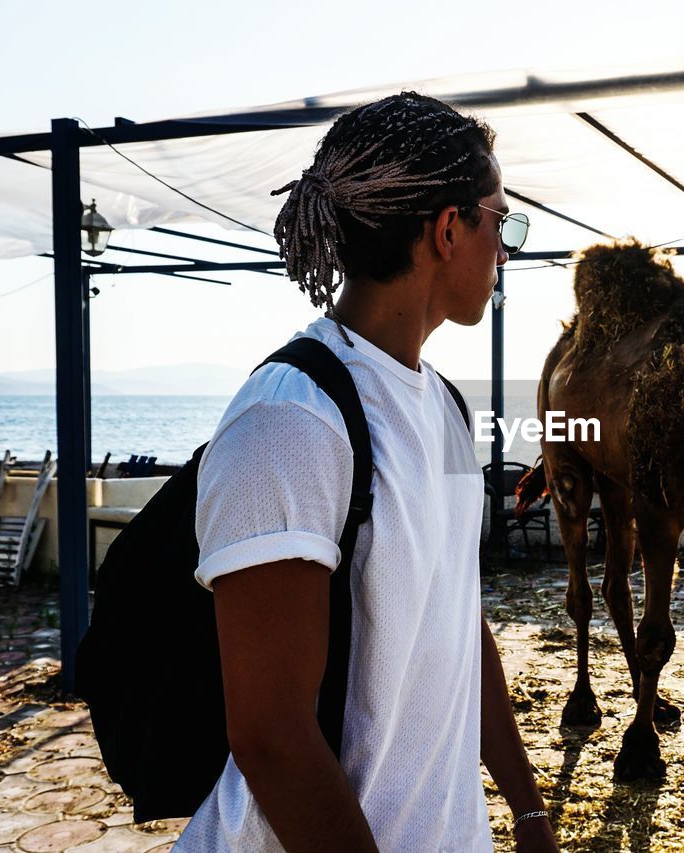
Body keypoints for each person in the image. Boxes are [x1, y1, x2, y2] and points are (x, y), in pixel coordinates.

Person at [175, 92, 556, 852]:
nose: (506, 248)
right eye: (501, 220)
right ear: (449, 229)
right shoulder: (291, 421)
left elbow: (457, 621)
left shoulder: (444, 408)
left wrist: (527, 807)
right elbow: (271, 737)